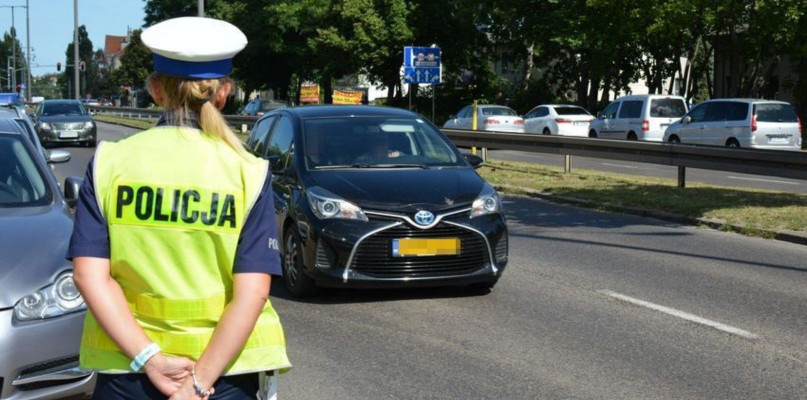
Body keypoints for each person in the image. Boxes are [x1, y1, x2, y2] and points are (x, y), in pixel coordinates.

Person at [68, 17, 291, 400]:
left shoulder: (109, 162)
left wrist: (150, 359)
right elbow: (252, 293)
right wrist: (197, 383)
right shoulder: (248, 171)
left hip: (128, 373)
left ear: (156, 90)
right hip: (224, 379)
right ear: (223, 94)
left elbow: (89, 277)